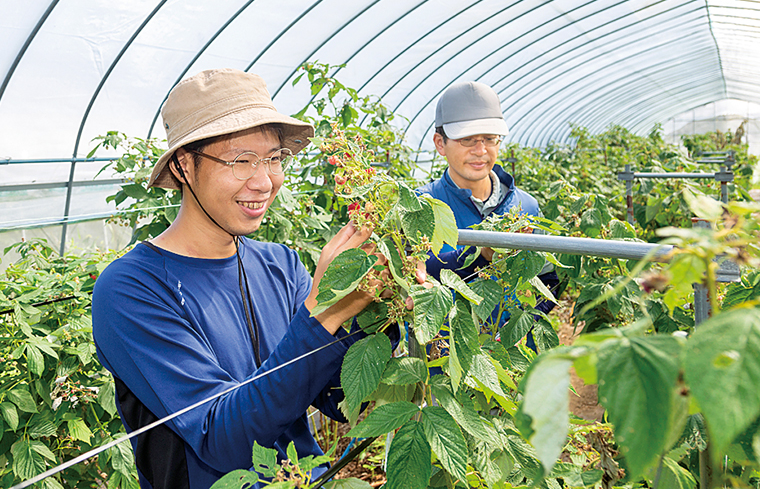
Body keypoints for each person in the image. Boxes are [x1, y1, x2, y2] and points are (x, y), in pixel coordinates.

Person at [92, 69, 393, 489]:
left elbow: (336, 396)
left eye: (273, 158)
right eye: (240, 160)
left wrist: (383, 313)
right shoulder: (131, 290)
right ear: (183, 165)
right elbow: (221, 439)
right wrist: (324, 311)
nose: (264, 180)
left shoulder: (280, 266)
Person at [418, 81, 559, 333]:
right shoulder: (422, 206)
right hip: (443, 359)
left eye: (490, 139)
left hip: (512, 361)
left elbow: (548, 281)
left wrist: (517, 330)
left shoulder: (525, 205)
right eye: (467, 140)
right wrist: (479, 256)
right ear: (440, 143)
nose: (480, 151)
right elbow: (417, 276)